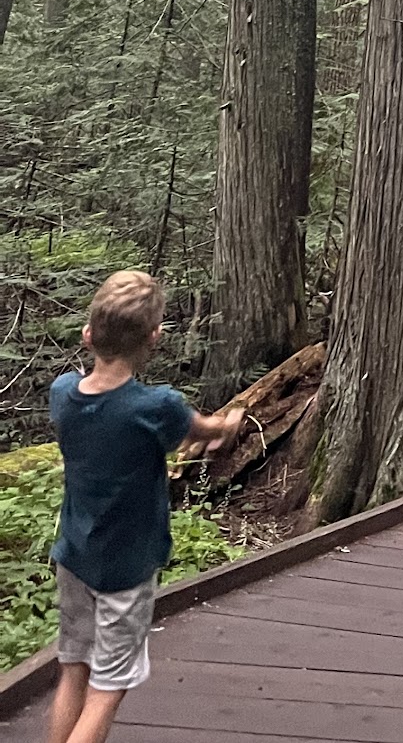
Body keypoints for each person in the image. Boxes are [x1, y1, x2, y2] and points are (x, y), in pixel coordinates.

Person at [46, 270, 244, 743]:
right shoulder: (157, 406)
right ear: (154, 337)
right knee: (107, 687)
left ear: (88, 335)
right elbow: (205, 430)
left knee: (73, 670)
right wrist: (229, 424)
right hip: (127, 569)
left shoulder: (61, 395)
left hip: (73, 557)